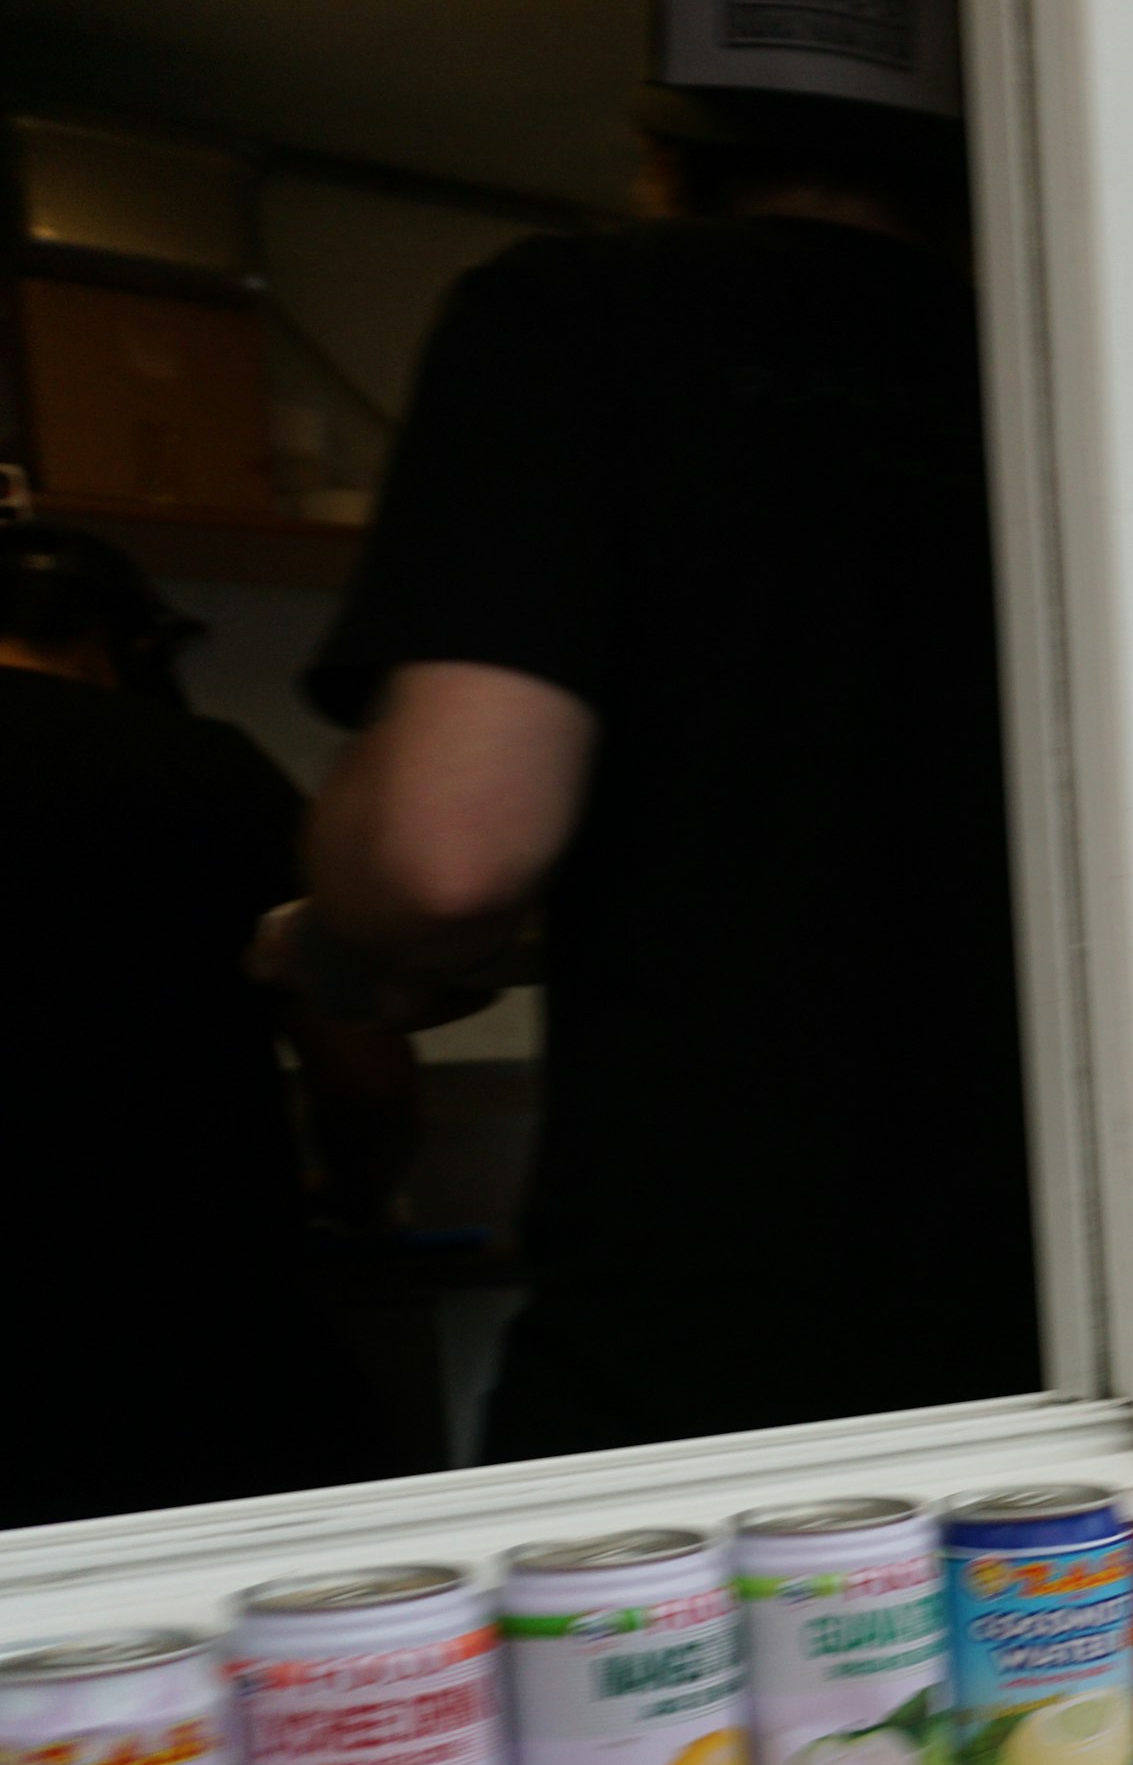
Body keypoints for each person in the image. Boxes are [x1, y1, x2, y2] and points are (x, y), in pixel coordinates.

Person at [271, 79, 1039, 1460]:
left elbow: (446, 857)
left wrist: (341, 925)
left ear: (674, 143)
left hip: (704, 1354)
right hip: (1074, 1351)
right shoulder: (1072, 372)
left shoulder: (580, 314)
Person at [0, 526, 387, 1525]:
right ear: (109, 640)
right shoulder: (195, 766)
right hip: (191, 1327)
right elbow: (358, 1050)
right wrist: (355, 1192)